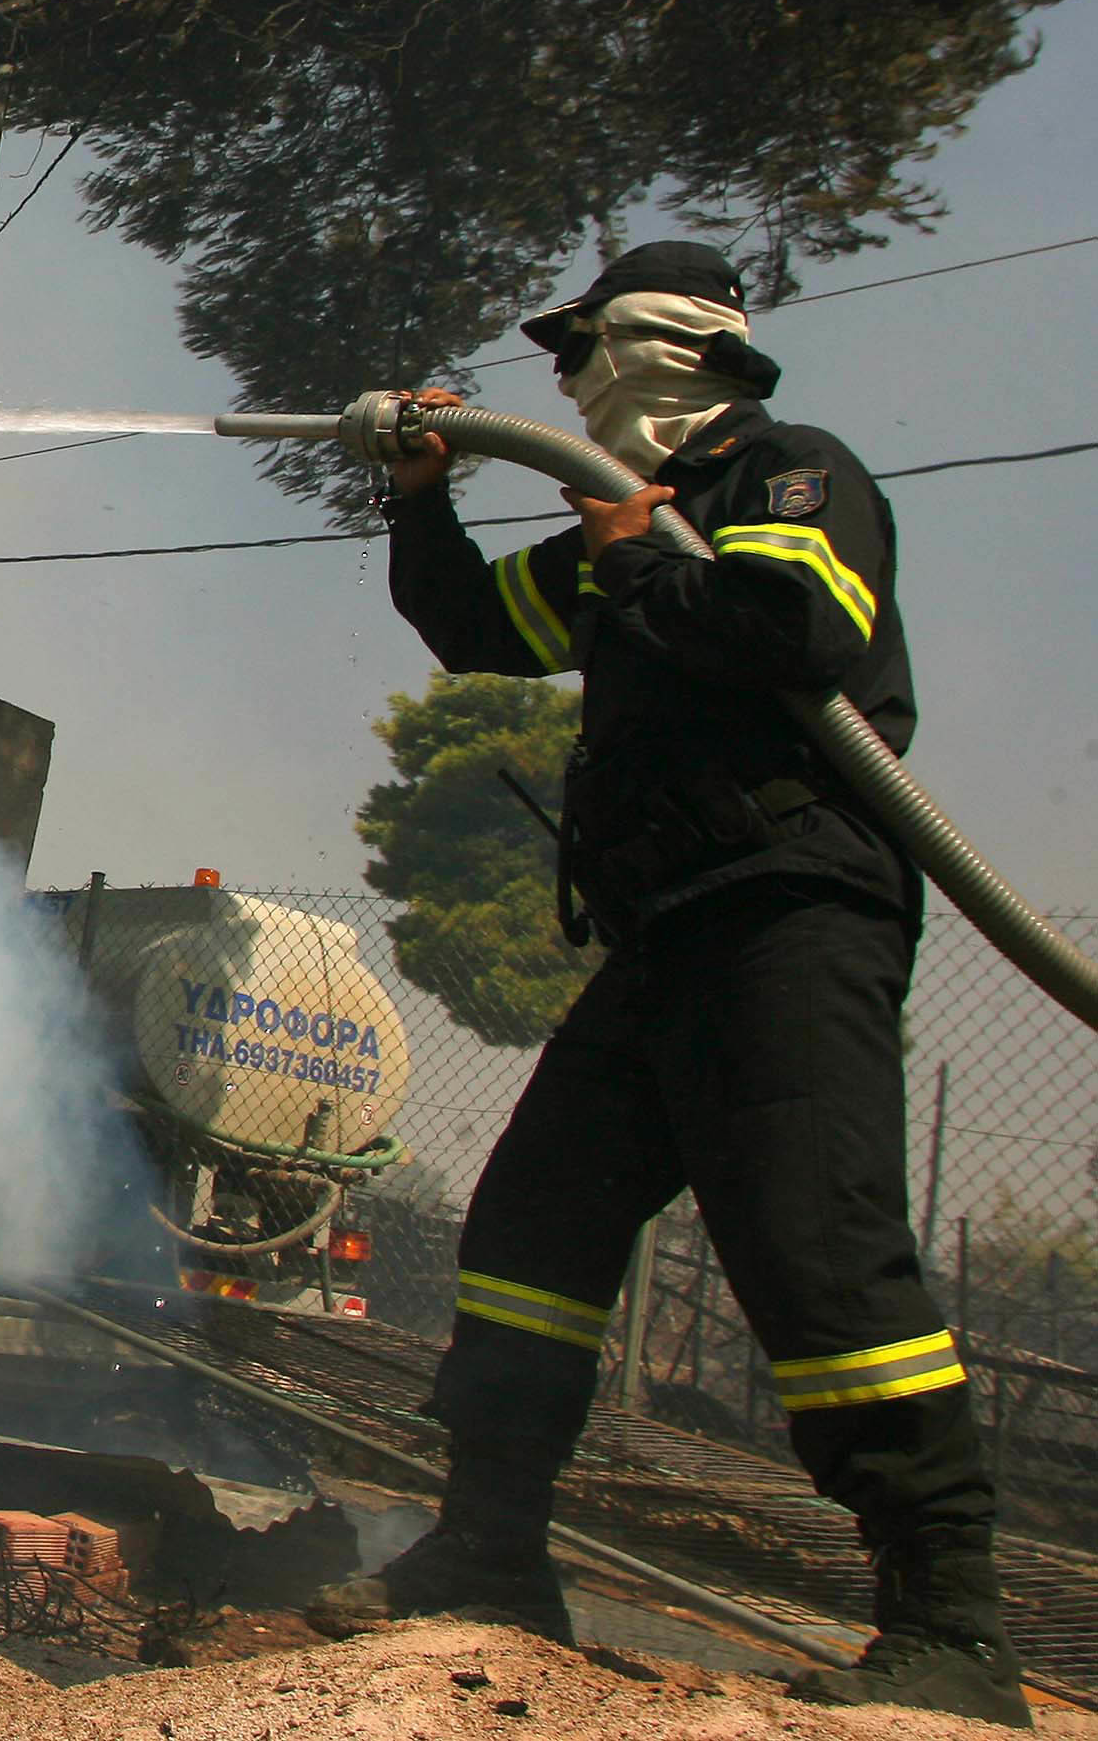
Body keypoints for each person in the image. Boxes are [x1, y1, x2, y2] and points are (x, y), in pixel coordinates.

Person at [305, 239, 1026, 1725]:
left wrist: (637, 551)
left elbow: (797, 635)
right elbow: (471, 626)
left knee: (816, 1253)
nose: (560, 383)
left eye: (577, 352)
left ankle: (952, 1624)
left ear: (658, 346)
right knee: (530, 1224)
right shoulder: (637, 528)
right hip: (668, 934)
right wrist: (424, 489)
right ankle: (493, 1548)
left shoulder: (787, 476)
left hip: (789, 912)